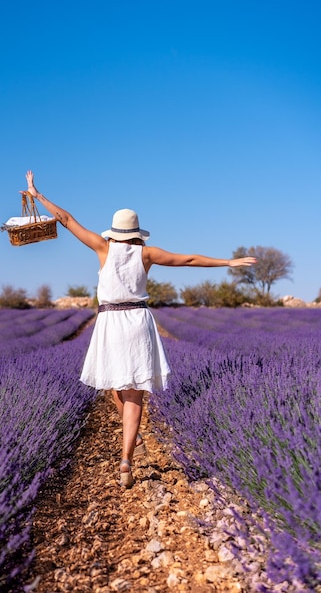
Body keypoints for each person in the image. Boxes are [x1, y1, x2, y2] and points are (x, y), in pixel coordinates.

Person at [22, 170, 257, 489]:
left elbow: (65, 219)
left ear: (114, 231)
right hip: (138, 322)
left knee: (115, 386)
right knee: (132, 393)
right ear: (136, 232)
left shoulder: (102, 248)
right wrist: (228, 263)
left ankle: (128, 449)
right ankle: (127, 460)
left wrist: (37, 195)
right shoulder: (146, 253)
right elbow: (187, 260)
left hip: (110, 322)